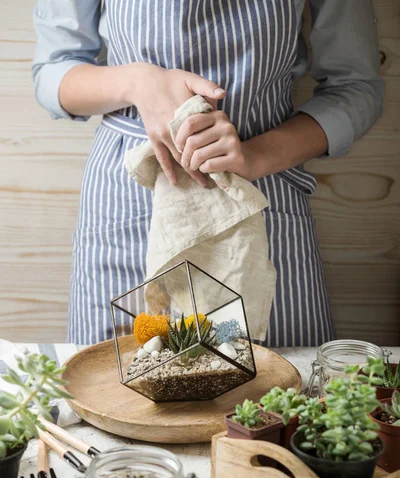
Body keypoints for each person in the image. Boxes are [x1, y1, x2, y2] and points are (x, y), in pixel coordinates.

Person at [32, 0, 384, 347]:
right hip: (131, 204)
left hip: (261, 194)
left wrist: (256, 155)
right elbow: (54, 70)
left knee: (278, 392)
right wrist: (138, 82)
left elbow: (355, 87)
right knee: (113, 390)